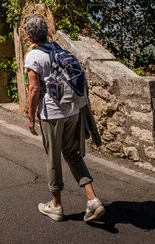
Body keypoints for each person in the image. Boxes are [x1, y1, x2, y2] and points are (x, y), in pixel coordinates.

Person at [24, 15, 105, 223]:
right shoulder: (58, 49)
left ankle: (56, 205)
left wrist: (30, 116)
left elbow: (33, 89)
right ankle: (93, 200)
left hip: (52, 114)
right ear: (46, 31)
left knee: (53, 157)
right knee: (72, 154)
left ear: (29, 35)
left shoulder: (33, 56)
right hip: (73, 111)